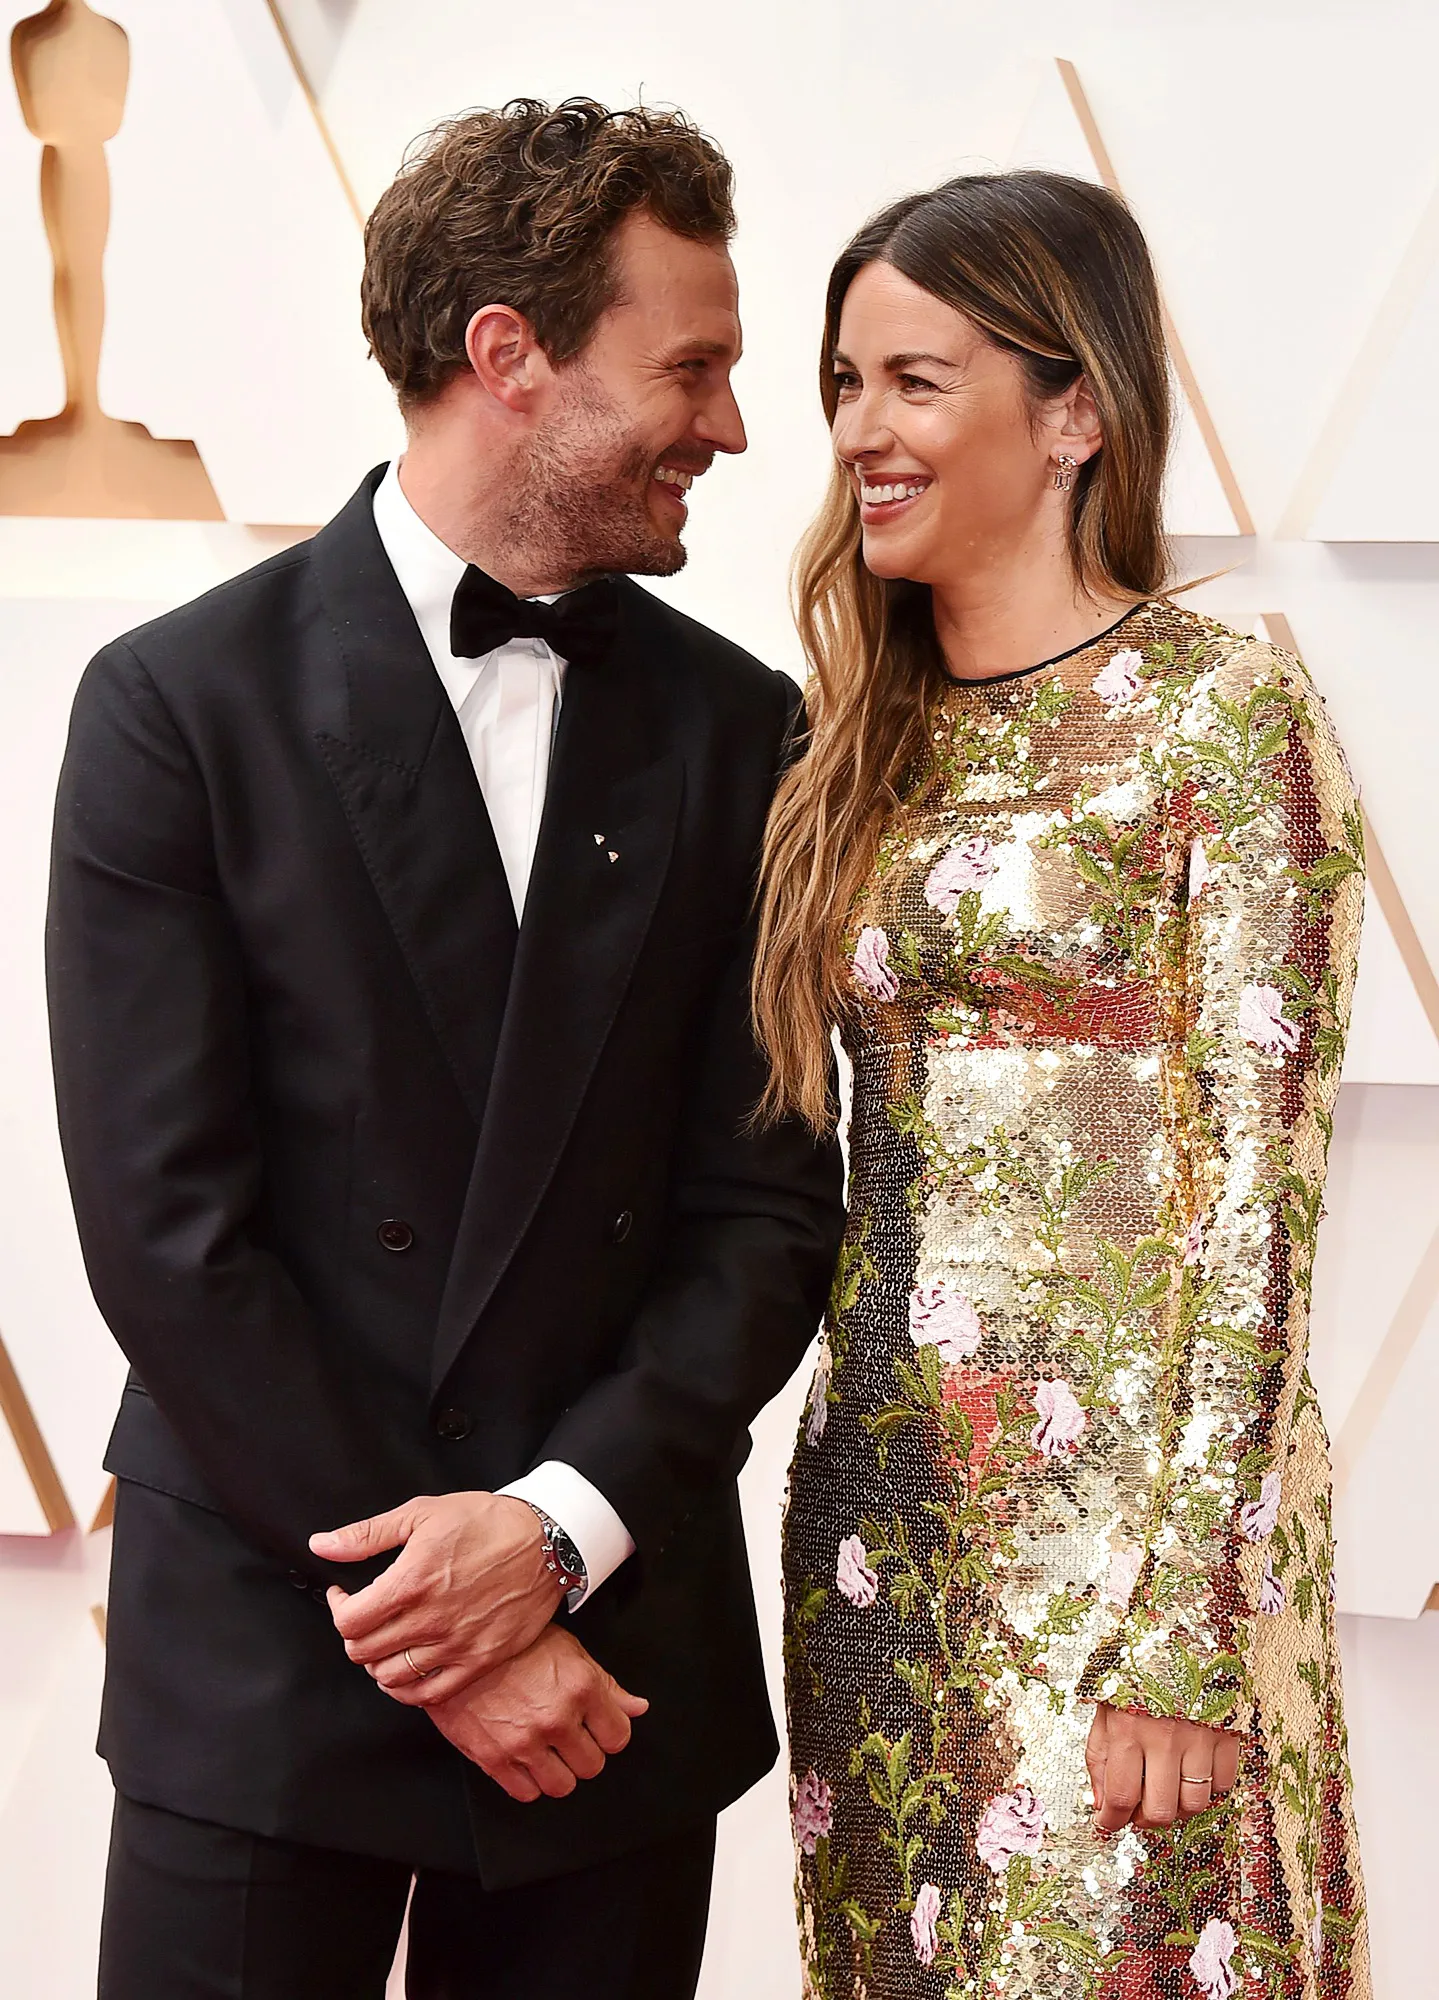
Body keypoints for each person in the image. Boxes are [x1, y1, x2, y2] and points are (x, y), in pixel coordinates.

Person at [46, 98, 842, 2000]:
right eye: (692, 366)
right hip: (277, 1641)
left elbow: (762, 1208)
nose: (733, 427)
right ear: (510, 354)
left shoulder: (745, 733)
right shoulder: (174, 708)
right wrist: (452, 1623)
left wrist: (551, 1541)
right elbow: (172, 1236)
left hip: (609, 1652)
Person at [756, 171, 1370, 1999]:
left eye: (915, 381)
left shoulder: (1221, 712)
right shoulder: (844, 740)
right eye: (844, 382)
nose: (858, 430)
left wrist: (1191, 1618)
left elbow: (1259, 1202)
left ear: (1073, 411)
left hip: (1136, 1556)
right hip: (879, 1530)